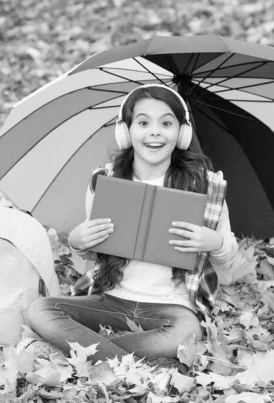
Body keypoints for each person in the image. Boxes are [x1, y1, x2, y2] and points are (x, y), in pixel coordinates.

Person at [27, 84, 238, 363]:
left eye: (166, 123)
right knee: (40, 310)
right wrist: (78, 241)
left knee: (186, 334)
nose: (154, 131)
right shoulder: (105, 181)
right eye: (143, 122)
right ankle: (135, 360)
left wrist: (214, 242)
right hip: (111, 300)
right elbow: (93, 247)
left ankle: (89, 352)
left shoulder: (205, 185)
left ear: (182, 133)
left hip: (171, 309)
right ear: (125, 131)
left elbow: (229, 252)